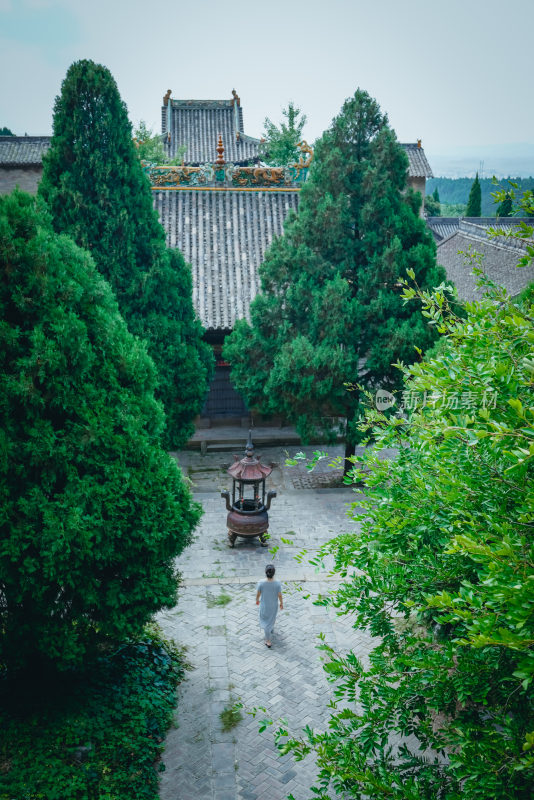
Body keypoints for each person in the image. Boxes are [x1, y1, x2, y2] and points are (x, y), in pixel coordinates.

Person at [256, 564, 283, 648]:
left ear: (265, 572)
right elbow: (279, 595)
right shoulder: (278, 583)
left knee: (266, 623)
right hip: (273, 606)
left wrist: (257, 600)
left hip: (265, 606)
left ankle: (268, 640)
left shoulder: (261, 583)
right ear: (274, 573)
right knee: (272, 618)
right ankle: (271, 628)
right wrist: (281, 603)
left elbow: (258, 594)